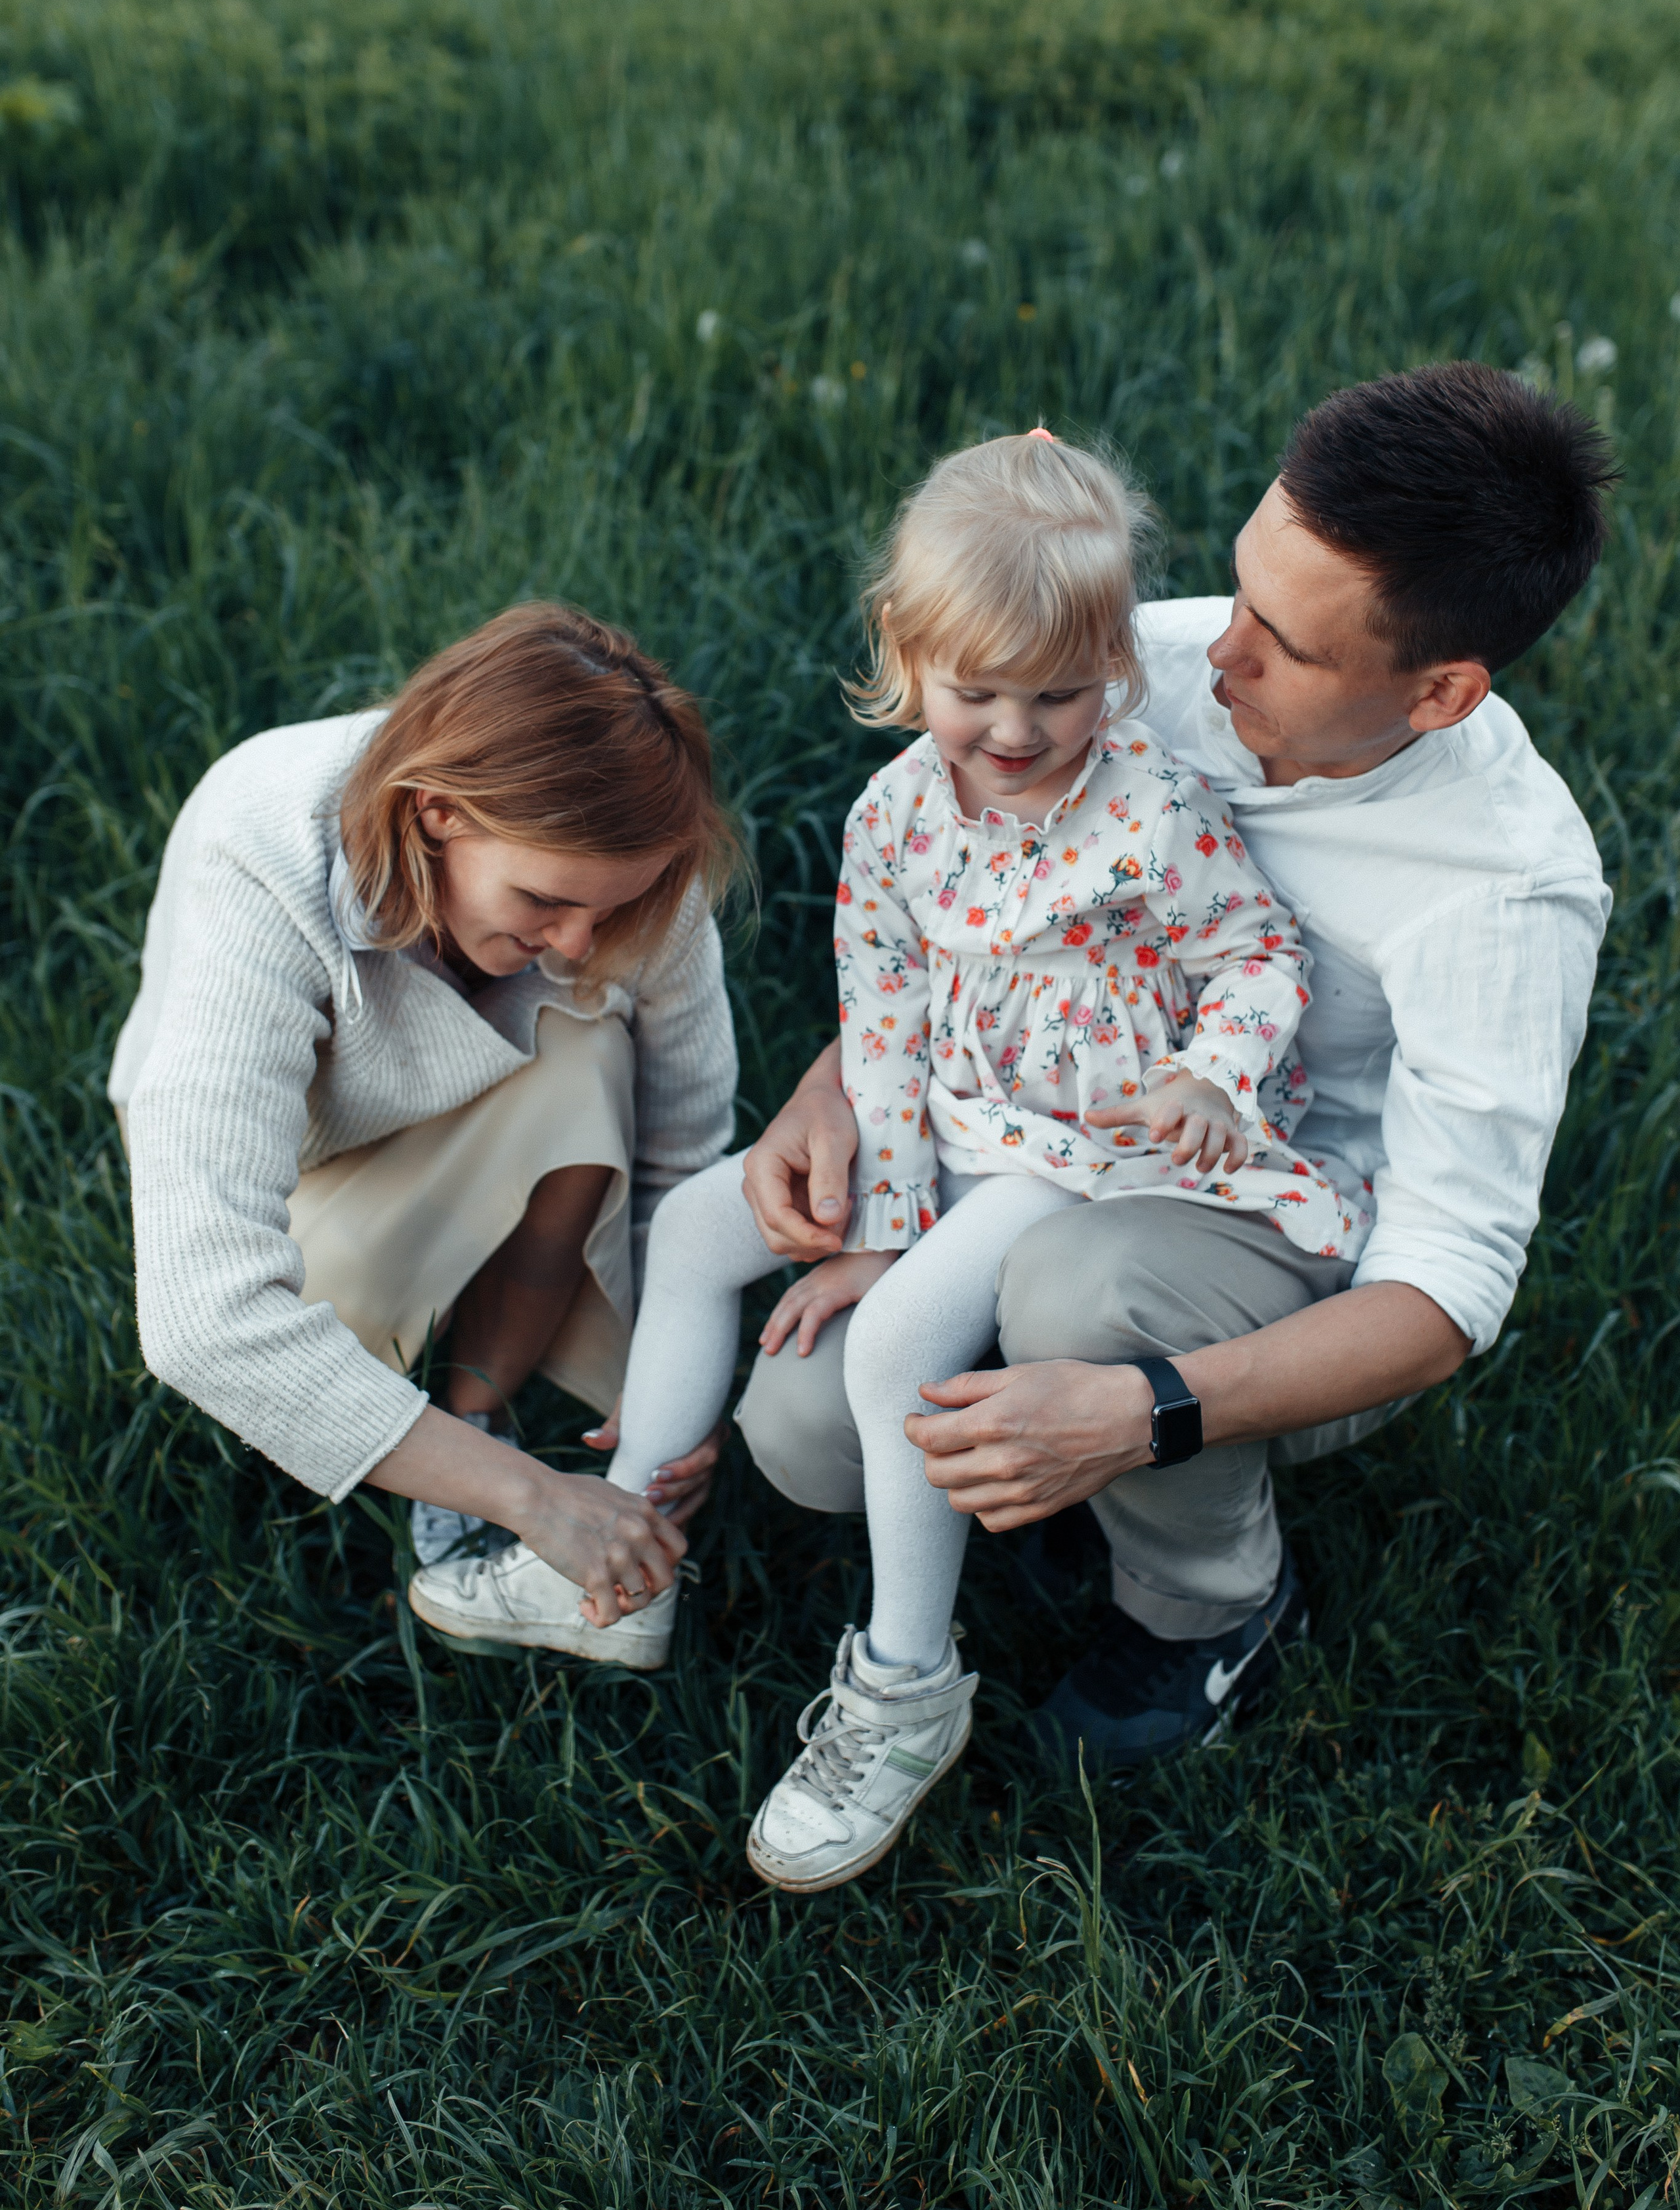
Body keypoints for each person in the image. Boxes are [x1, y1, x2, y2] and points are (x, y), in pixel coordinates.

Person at [428, 432, 1372, 1892]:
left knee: (893, 1350)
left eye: (1058, 692)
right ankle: (625, 1557)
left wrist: (1211, 1072)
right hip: (955, 1121)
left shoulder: (1151, 813)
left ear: (1113, 670)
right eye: (975, 689)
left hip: (1084, 1150)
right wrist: (880, 1215)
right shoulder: (895, 815)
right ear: (904, 649)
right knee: (698, 1234)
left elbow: (1259, 953)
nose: (1014, 728)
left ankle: (906, 1686)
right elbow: (883, 1016)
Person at [734, 362, 1616, 1782]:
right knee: (806, 1424)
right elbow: (970, 912)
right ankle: (1061, 1476)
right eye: (1239, 589)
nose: (1215, 655)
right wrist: (829, 1086)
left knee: (1079, 1295)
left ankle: (1208, 1604)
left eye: (1284, 642)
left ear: (1441, 691)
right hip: (1042, 1138)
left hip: (1275, 1229)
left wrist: (1144, 1409)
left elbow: (1442, 1298)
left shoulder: (1503, 891)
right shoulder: (1143, 666)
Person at [112, 604, 737, 1651]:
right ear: (438, 812)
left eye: (606, 910)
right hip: (301, 1164)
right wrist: (537, 1498)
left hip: (485, 1106)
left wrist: (672, 1373)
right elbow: (200, 1316)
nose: (575, 942)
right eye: (542, 900)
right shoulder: (264, 845)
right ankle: (468, 1465)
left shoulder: (623, 863)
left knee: (589, 1053)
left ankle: (477, 1404)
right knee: (302, 1305)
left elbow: (680, 1157)